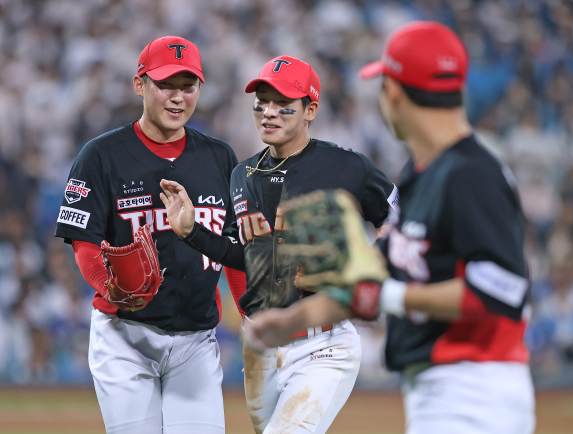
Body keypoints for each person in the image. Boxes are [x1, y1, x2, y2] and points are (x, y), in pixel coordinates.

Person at [244, 22, 536, 434]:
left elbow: (502, 289)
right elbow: (372, 278)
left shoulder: (471, 173)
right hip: (441, 386)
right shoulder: (422, 175)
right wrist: (291, 319)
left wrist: (389, 295)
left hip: (475, 388)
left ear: (393, 93)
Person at [160, 55, 398, 434]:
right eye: (262, 102)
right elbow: (246, 257)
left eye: (283, 104)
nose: (268, 112)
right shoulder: (243, 174)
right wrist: (193, 233)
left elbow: (397, 216)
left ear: (310, 110)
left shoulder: (345, 166)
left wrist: (371, 262)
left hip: (324, 343)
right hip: (260, 347)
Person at [54, 36, 238, 434]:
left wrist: (253, 313)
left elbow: (233, 247)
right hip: (125, 337)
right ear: (139, 85)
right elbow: (84, 242)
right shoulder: (102, 156)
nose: (177, 97)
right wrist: (107, 287)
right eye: (165, 85)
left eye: (187, 87)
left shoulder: (219, 157)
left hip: (196, 339)